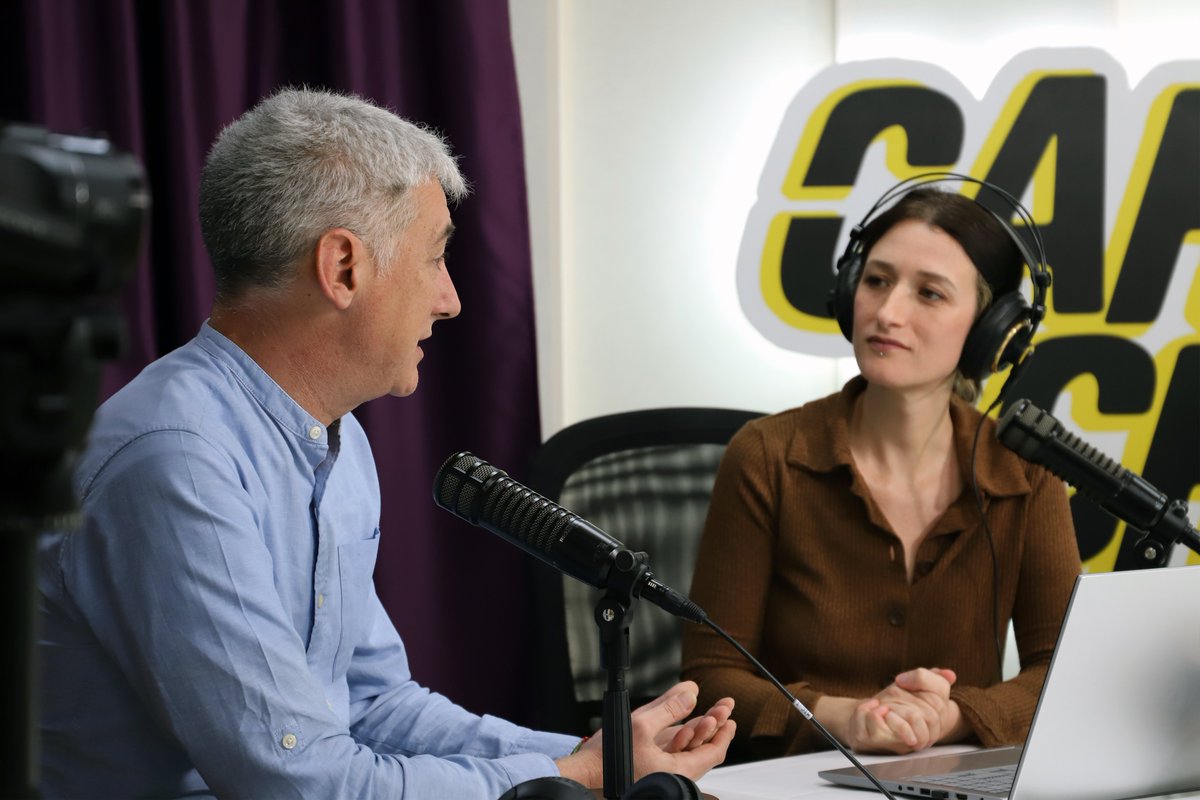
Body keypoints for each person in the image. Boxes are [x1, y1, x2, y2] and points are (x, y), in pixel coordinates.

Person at [36, 87, 735, 799]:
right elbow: (299, 784)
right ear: (343, 267)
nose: (450, 299)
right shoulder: (177, 459)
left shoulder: (337, 442)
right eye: (435, 258)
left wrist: (598, 758)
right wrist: (568, 778)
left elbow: (373, 706)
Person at [680, 185, 1080, 759]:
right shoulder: (767, 456)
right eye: (876, 281)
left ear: (992, 331)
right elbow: (711, 675)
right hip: (790, 780)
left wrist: (950, 718)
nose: (888, 313)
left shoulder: (1025, 472)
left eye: (930, 293)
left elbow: (1063, 672)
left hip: (953, 784)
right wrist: (846, 718)